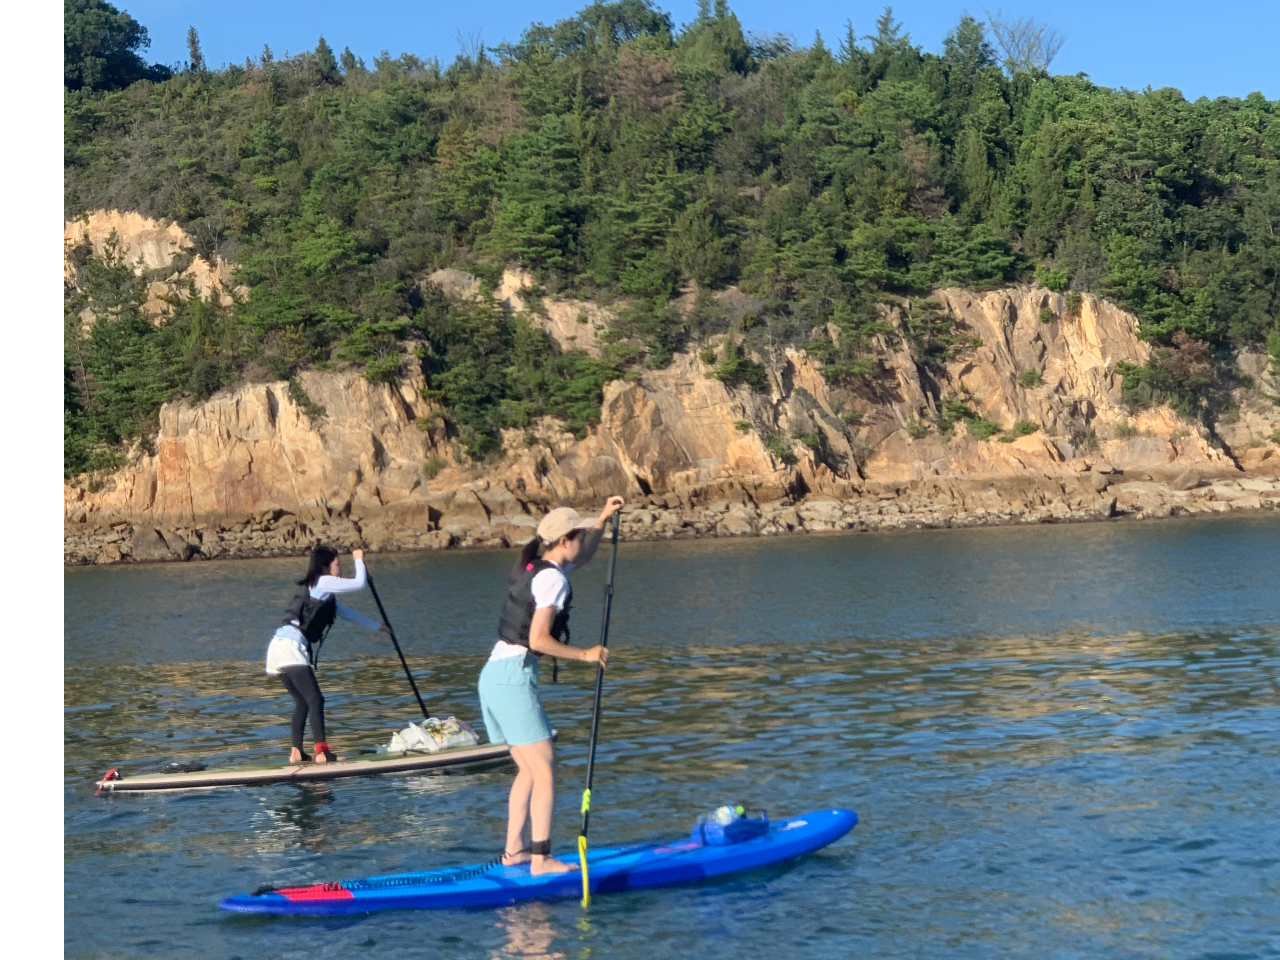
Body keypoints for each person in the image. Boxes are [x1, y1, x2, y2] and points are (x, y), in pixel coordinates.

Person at [479, 496, 625, 875]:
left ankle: (514, 852)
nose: (580, 545)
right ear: (564, 539)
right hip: (512, 679)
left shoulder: (539, 568)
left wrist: (603, 519)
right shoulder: (553, 580)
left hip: (494, 676)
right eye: (578, 535)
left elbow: (585, 554)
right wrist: (586, 655)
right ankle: (541, 859)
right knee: (546, 770)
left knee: (528, 771)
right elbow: (540, 639)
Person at [265, 545, 388, 763]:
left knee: (303, 702)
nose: (339, 567)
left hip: (277, 647)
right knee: (316, 700)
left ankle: (296, 752)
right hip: (291, 646)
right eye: (337, 563)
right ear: (326, 566)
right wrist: (359, 560)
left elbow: (350, 615)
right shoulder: (323, 581)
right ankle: (322, 752)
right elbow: (359, 583)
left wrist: (380, 627)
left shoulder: (324, 594)